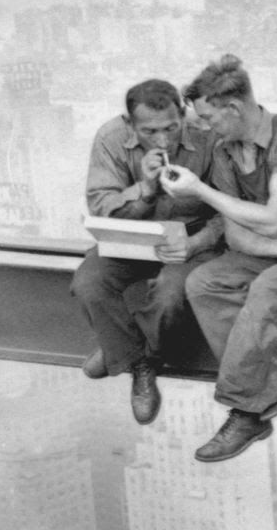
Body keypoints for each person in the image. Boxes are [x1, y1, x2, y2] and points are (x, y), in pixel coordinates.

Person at [167, 55, 277, 462]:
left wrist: (201, 191)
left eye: (208, 117)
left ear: (233, 107)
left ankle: (245, 413)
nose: (204, 127)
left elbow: (272, 219)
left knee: (268, 289)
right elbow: (235, 233)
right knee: (204, 282)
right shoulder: (225, 150)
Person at [71, 78, 223, 424]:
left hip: (190, 238)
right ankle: (139, 363)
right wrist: (146, 189)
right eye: (150, 131)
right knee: (89, 283)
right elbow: (101, 206)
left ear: (182, 114)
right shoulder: (111, 138)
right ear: (130, 123)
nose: (163, 140)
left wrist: (197, 243)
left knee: (171, 296)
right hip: (129, 236)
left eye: (171, 128)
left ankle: (119, 348)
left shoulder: (208, 135)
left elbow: (229, 208)